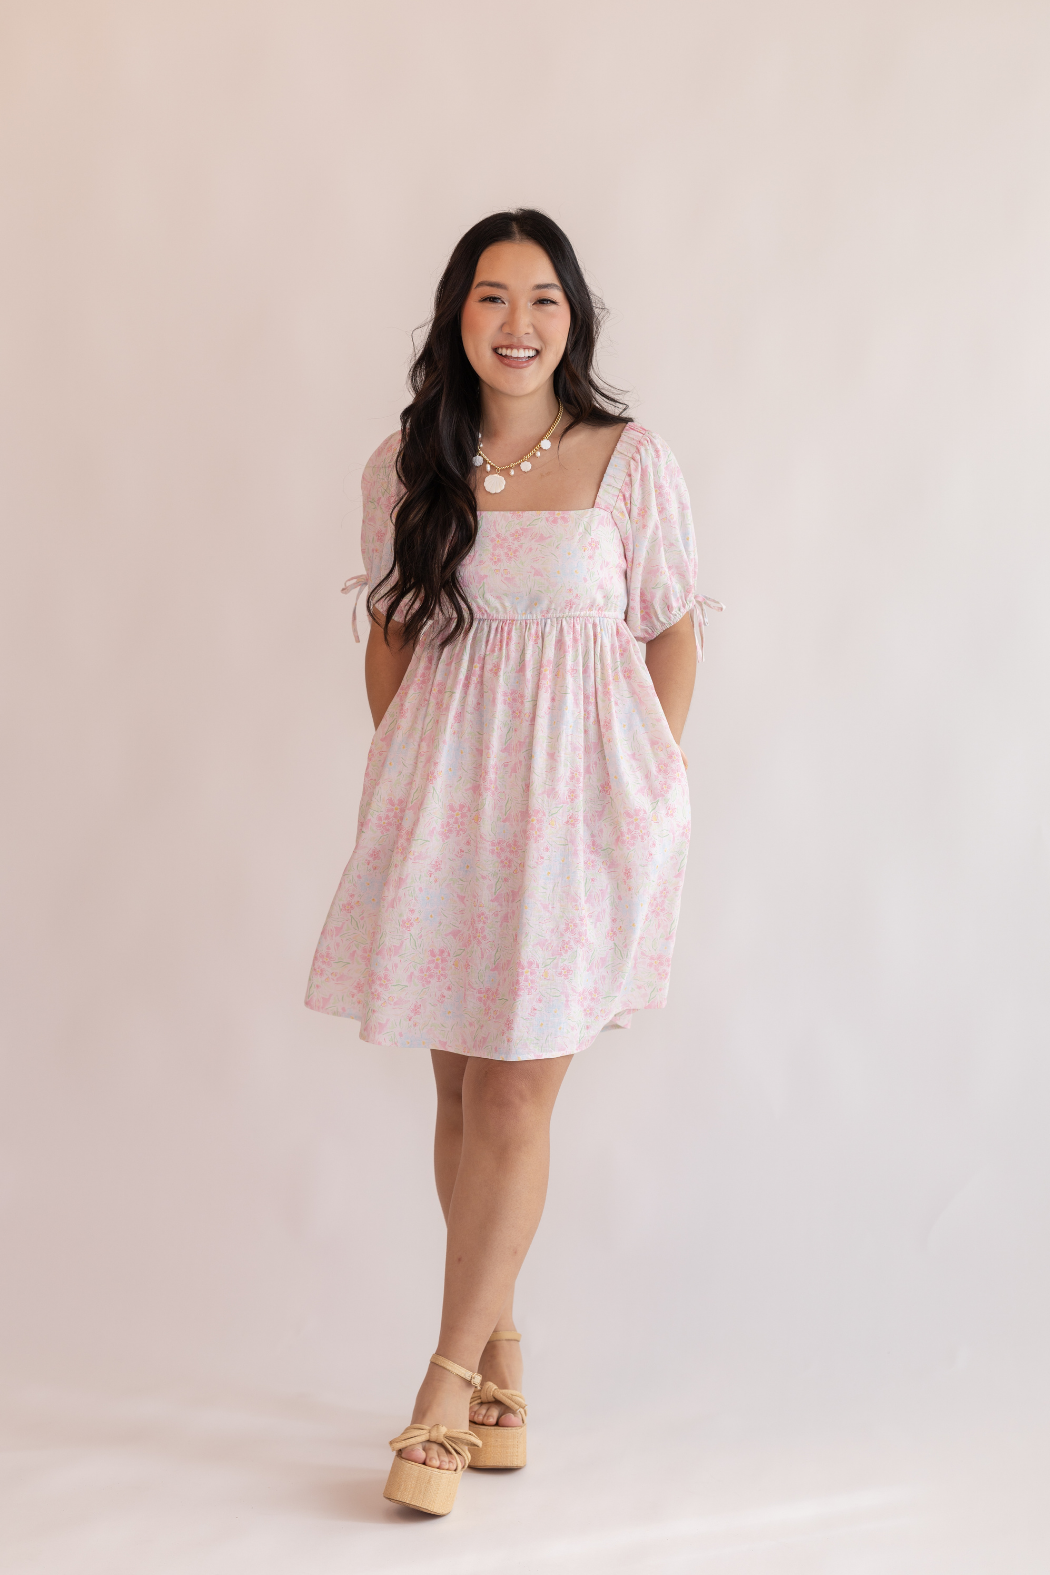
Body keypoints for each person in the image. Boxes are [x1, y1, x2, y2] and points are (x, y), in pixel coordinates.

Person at [305, 209, 719, 1516]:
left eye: (542, 299)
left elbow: (668, 628)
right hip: (447, 811)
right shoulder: (401, 468)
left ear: (573, 318)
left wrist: (643, 783)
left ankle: (439, 1393)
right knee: (459, 1088)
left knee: (516, 1093)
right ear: (456, 315)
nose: (517, 322)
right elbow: (391, 640)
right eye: (492, 297)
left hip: (583, 816)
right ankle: (500, 1362)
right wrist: (418, 774)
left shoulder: (628, 460)